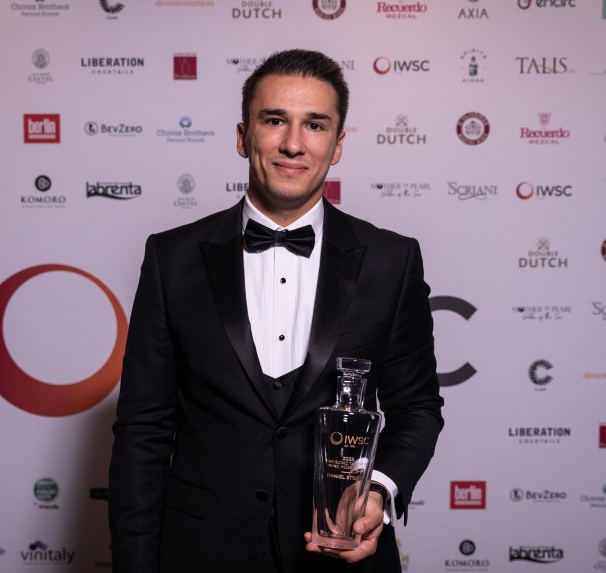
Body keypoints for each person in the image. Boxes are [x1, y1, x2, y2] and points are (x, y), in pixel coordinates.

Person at [109, 49, 444, 573]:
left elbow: (417, 409)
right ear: (243, 137)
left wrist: (376, 491)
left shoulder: (391, 260)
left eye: (315, 124)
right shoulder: (172, 258)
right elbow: (141, 430)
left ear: (338, 144)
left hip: (341, 559)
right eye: (274, 120)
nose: (293, 143)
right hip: (201, 555)